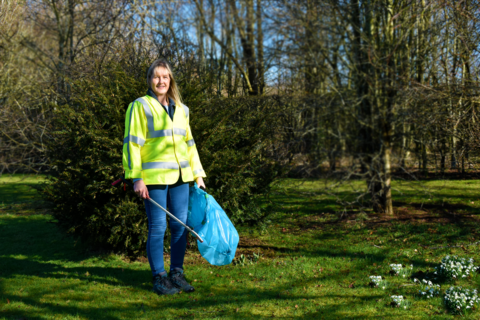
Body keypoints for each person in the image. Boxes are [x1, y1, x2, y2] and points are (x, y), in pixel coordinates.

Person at [122, 59, 206, 295]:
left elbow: (190, 144)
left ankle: (176, 274)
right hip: (154, 178)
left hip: (181, 177)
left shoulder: (182, 109)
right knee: (158, 227)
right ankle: (159, 278)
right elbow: (132, 144)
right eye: (156, 76)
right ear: (150, 80)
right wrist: (136, 177)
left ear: (171, 80)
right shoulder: (140, 106)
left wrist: (198, 174)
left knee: (180, 227)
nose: (161, 81)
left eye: (165, 77)